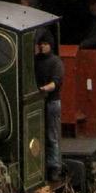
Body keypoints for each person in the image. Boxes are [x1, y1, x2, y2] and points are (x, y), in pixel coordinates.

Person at [34, 30, 64, 182]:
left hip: (52, 102)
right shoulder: (36, 61)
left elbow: (56, 82)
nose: (42, 46)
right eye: (41, 44)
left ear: (50, 45)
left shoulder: (56, 62)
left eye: (45, 44)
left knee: (52, 136)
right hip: (39, 102)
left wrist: (43, 89)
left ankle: (55, 167)